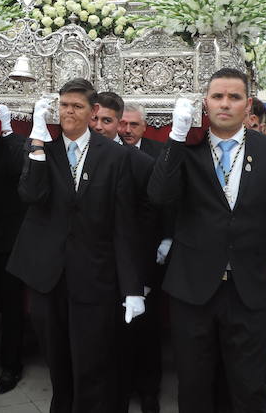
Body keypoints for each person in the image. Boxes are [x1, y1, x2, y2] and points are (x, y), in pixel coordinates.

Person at [148, 67, 266, 411]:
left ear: (248, 104)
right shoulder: (186, 148)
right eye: (217, 96)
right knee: (194, 385)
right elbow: (159, 196)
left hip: (248, 290)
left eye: (234, 97)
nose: (224, 104)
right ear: (205, 102)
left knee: (248, 387)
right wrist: (176, 137)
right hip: (192, 290)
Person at [7, 78, 144, 413]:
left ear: (93, 110)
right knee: (55, 359)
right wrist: (37, 145)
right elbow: (31, 196)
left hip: (93, 274)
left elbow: (124, 226)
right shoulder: (42, 150)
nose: (69, 112)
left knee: (91, 360)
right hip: (46, 275)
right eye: (64, 105)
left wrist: (132, 287)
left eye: (77, 106)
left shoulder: (115, 156)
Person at [91, 91, 161, 413]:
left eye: (110, 121)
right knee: (109, 338)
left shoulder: (143, 161)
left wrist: (142, 272)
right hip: (100, 263)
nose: (126, 130)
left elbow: (151, 219)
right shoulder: (88, 153)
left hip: (137, 263)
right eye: (99, 120)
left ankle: (148, 392)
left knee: (143, 336)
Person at [0, 104, 28, 396]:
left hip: (10, 236)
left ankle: (11, 364)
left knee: (12, 306)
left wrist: (7, 132)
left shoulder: (15, 144)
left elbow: (18, 164)